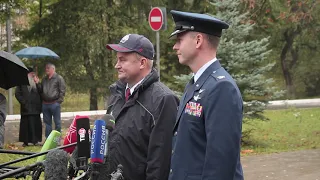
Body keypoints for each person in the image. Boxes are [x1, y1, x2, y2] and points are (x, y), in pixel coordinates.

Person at [168, 10, 244, 180]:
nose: (175, 46)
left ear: (198, 40)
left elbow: (221, 163)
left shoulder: (221, 87)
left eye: (179, 40)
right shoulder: (196, 83)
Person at [101, 34, 179, 180]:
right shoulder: (117, 94)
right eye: (117, 59)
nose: (116, 65)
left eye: (122, 60)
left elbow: (160, 164)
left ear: (142, 63)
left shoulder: (163, 100)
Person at [34, 63, 66, 138]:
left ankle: (57, 140)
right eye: (46, 68)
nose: (46, 69)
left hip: (55, 103)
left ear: (53, 69)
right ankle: (48, 139)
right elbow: (40, 90)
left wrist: (58, 102)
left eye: (48, 68)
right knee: (47, 123)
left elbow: (62, 90)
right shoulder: (44, 79)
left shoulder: (59, 78)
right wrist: (38, 83)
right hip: (45, 104)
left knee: (57, 123)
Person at [15, 67, 42, 147]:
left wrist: (38, 83)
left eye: (33, 74)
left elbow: (41, 92)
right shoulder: (21, 82)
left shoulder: (36, 82)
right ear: (27, 74)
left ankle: (35, 140)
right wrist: (24, 102)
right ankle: (25, 141)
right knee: (25, 126)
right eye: (31, 74)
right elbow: (17, 94)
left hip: (35, 108)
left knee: (35, 125)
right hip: (25, 108)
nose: (32, 75)